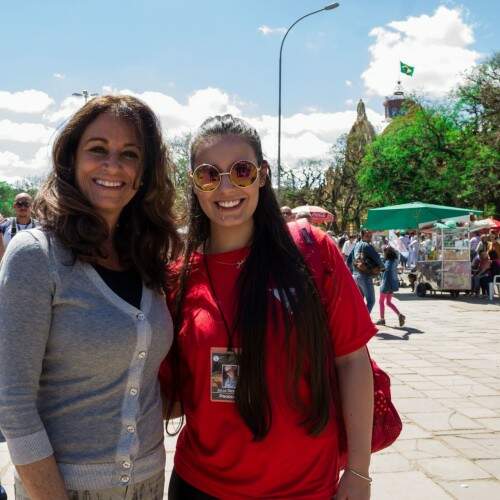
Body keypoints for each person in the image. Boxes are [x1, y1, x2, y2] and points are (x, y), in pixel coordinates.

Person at [161, 115, 375, 499]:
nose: (226, 187)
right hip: (200, 485)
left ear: (262, 174)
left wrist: (358, 472)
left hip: (304, 487)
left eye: (241, 171)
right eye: (209, 175)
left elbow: (353, 360)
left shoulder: (311, 251)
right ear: (194, 184)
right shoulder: (178, 273)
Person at [0, 95, 181, 499]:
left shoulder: (148, 259)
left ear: (143, 173)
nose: (113, 165)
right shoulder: (36, 256)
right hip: (61, 490)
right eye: (97, 149)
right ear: (71, 159)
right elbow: (13, 405)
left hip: (150, 484)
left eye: (129, 154)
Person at [347, 229, 384, 313]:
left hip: (356, 276)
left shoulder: (356, 245)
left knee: (360, 301)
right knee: (371, 301)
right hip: (365, 276)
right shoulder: (367, 246)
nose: (370, 237)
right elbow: (377, 258)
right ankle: (364, 323)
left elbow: (349, 260)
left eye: (370, 235)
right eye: (368, 235)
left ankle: (358, 320)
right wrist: (383, 267)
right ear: (363, 236)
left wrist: (353, 271)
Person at [0, 193, 39, 261]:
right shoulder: (4, 226)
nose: (23, 207)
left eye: (26, 204)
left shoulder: (40, 227)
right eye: (19, 204)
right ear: (14, 206)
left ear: (32, 206)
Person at [376, 246, 405, 327]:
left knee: (381, 301)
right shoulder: (394, 261)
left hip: (386, 285)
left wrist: (380, 281)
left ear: (387, 253)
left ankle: (382, 319)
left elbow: (385, 274)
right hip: (391, 285)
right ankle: (400, 315)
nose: (383, 254)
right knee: (388, 302)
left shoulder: (388, 263)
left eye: (384, 252)